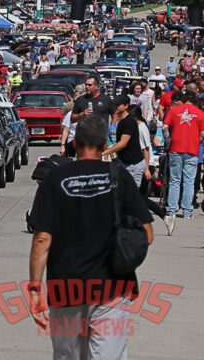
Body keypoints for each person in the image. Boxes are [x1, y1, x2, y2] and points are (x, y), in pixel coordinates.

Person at [28, 115, 153, 359]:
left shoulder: (55, 178)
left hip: (65, 287)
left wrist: (34, 286)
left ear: (75, 142)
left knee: (68, 356)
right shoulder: (119, 177)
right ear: (104, 143)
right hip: (113, 287)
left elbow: (42, 237)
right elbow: (147, 233)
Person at [163, 90, 204, 232]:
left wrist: (168, 141)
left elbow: (165, 127)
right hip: (192, 150)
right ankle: (187, 210)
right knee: (189, 181)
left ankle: (172, 209)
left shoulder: (174, 111)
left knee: (175, 180)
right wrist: (198, 140)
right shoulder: (200, 113)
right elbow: (203, 134)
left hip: (176, 148)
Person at [102, 95, 145, 187]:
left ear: (126, 106)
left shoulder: (129, 121)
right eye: (114, 104)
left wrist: (105, 152)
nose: (115, 107)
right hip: (125, 163)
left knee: (132, 194)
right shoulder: (121, 121)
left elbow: (123, 143)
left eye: (118, 105)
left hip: (134, 164)